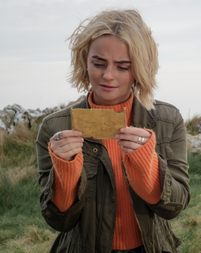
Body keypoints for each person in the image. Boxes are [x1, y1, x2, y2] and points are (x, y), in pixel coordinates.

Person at [36, 9, 190, 253]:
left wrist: (146, 164)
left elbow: (175, 206)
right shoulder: (55, 127)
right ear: (85, 60)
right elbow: (58, 221)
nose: (108, 76)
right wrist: (65, 170)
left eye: (122, 67)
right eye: (99, 63)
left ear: (139, 69)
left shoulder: (167, 120)